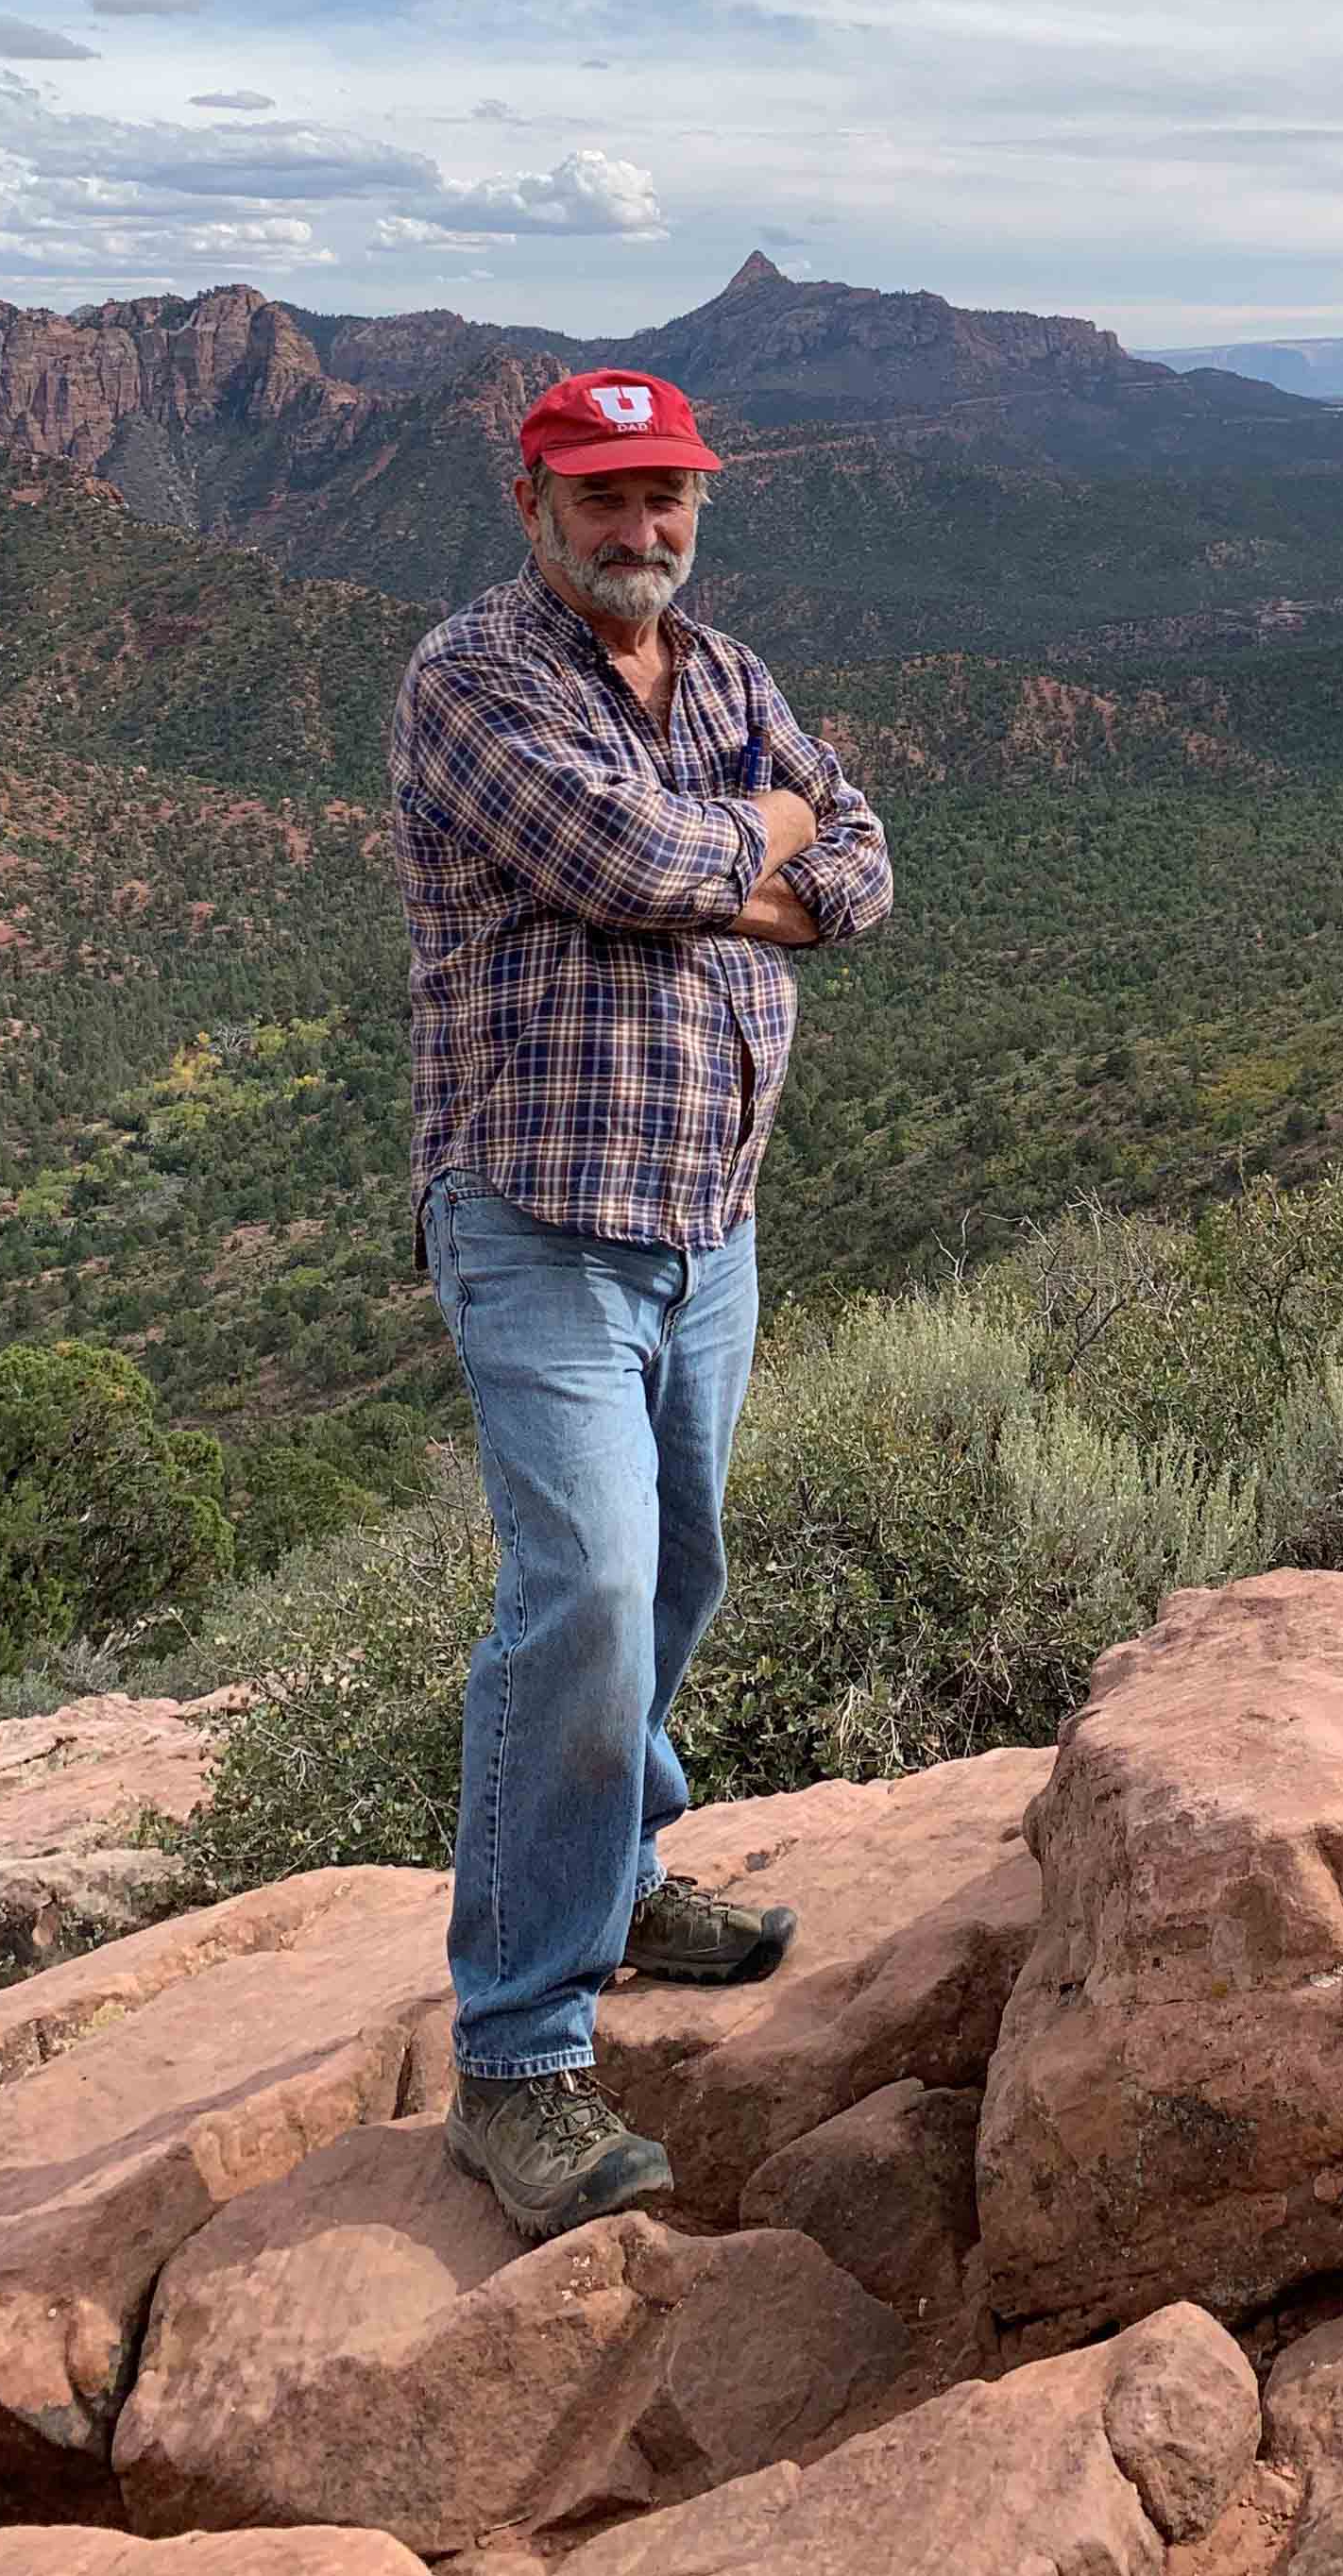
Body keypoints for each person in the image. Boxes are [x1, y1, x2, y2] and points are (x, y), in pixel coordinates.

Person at [387, 364, 892, 2239]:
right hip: (539, 1222)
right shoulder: (474, 678)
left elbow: (867, 870)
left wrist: (749, 858)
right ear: (534, 504)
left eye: (666, 493)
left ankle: (612, 1878)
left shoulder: (733, 671)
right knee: (584, 1590)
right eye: (603, 498)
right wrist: (752, 844)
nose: (641, 528)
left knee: (675, 1578)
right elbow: (635, 858)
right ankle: (518, 2056)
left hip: (710, 1223)